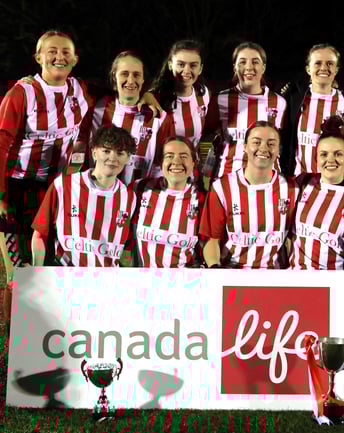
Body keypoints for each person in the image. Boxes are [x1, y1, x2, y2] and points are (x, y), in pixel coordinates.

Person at [0, 30, 94, 323]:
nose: (59, 56)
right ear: (38, 57)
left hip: (51, 190)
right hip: (12, 188)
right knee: (17, 269)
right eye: (52, 51)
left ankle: (41, 334)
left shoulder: (81, 91)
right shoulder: (22, 93)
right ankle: (15, 341)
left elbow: (122, 92)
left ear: (75, 59)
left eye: (65, 51)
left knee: (47, 265)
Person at [31, 125, 137, 267]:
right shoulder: (64, 185)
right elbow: (40, 234)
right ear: (94, 152)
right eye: (106, 151)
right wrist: (36, 272)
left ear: (128, 158)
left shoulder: (130, 197)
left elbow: (128, 249)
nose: (112, 158)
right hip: (66, 277)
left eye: (120, 153)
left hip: (106, 282)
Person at [200, 121, 299, 269]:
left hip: (275, 279)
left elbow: (293, 238)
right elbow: (212, 240)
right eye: (256, 142)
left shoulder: (292, 189)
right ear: (245, 147)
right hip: (233, 276)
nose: (264, 148)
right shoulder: (222, 187)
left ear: (279, 150)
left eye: (271, 143)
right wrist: (215, 270)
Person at [76, 50, 174, 185]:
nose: (131, 80)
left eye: (136, 75)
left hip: (137, 196)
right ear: (114, 76)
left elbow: (162, 163)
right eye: (124, 74)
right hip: (95, 191)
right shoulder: (95, 107)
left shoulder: (158, 116)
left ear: (143, 79)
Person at [289, 115, 344, 272]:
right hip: (297, 280)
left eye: (338, 154)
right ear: (316, 159)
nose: (331, 159)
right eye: (324, 154)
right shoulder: (303, 182)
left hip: (336, 281)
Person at [130, 136, 205, 268]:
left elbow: (208, 245)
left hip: (184, 284)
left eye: (183, 156)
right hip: (143, 283)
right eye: (169, 156)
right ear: (160, 162)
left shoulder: (201, 199)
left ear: (193, 162)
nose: (176, 161)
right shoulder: (141, 188)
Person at [215, 42, 287, 177]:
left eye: (255, 62)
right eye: (242, 62)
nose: (249, 67)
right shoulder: (221, 99)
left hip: (268, 180)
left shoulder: (279, 102)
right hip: (229, 179)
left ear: (263, 67)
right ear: (235, 67)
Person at [280, 44, 344, 176]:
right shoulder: (293, 99)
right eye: (318, 63)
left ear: (336, 69)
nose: (324, 68)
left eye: (330, 63)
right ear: (308, 69)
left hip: (334, 183)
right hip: (298, 182)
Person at [149, 40, 217, 148]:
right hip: (161, 164)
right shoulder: (155, 97)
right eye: (181, 64)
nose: (186, 70)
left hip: (191, 164)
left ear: (200, 69)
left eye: (193, 65)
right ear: (170, 65)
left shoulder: (204, 94)